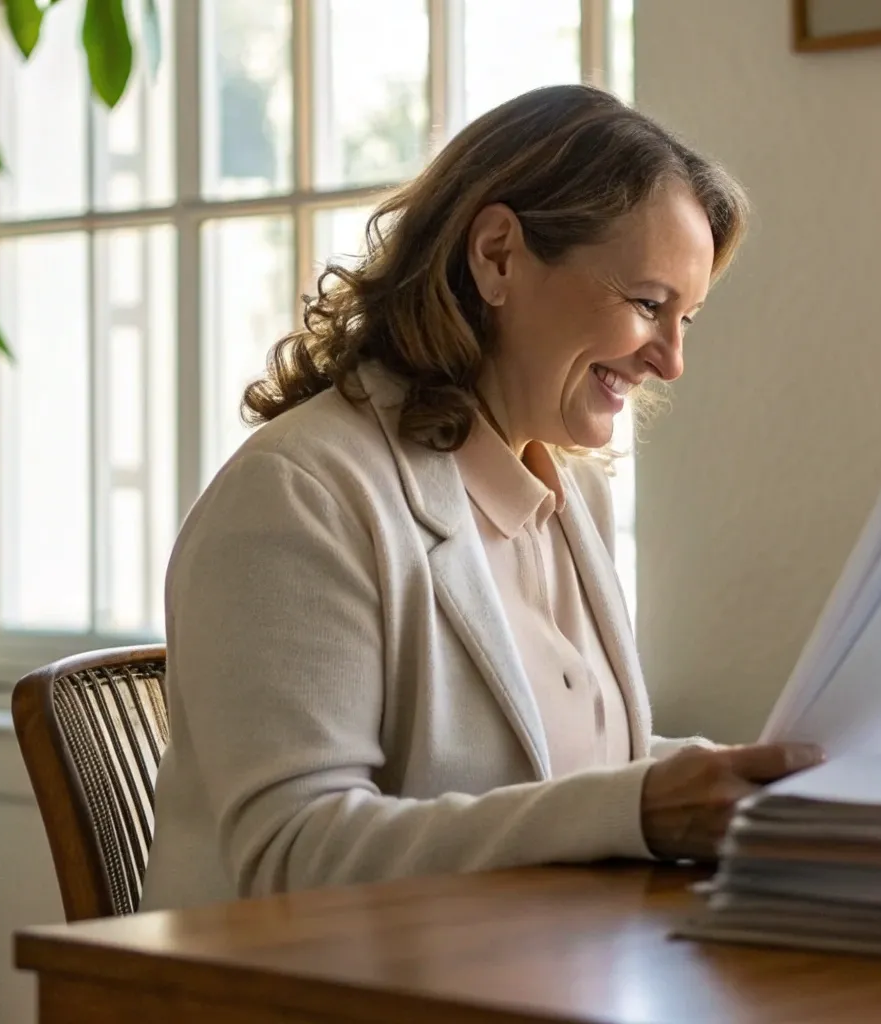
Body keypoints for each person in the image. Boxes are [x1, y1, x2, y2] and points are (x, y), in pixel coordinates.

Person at [140, 85, 822, 912]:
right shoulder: (298, 493)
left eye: (689, 319)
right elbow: (294, 854)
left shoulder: (573, 499)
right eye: (648, 305)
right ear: (498, 254)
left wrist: (742, 780)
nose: (671, 361)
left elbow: (558, 774)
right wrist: (640, 809)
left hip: (536, 973)